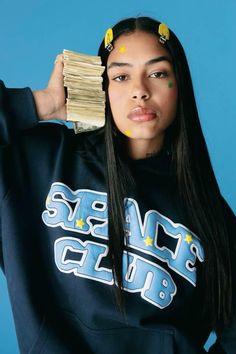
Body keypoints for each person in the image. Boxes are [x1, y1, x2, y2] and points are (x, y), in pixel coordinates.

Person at [0, 16, 235, 354]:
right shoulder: (40, 161)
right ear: (102, 87)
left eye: (158, 73)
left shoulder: (207, 210)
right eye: (121, 76)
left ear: (179, 85)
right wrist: (43, 103)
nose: (140, 90)